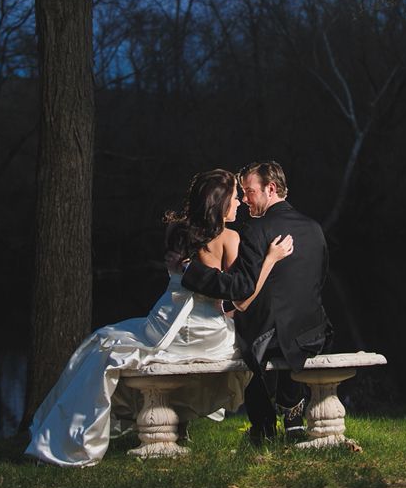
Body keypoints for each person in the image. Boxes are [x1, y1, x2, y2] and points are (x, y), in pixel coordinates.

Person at [25, 169, 294, 467]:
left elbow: (207, 286)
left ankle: (63, 431)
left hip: (165, 323)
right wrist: (269, 260)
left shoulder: (176, 231)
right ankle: (182, 422)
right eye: (234, 198)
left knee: (103, 341)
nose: (240, 204)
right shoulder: (230, 238)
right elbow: (241, 300)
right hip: (208, 336)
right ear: (218, 203)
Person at [178, 161, 332, 445]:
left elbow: (241, 288)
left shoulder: (255, 230)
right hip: (314, 332)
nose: (245, 199)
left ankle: (263, 425)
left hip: (271, 335)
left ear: (270, 189)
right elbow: (318, 282)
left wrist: (194, 275)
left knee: (245, 335)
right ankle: (293, 419)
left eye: (249, 192)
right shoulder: (315, 229)